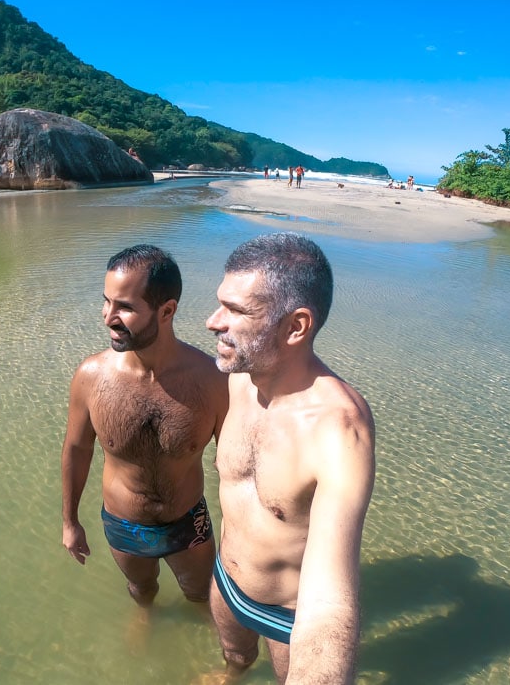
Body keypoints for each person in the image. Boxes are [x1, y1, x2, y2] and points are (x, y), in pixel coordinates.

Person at [204, 233, 376, 684]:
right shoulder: (239, 376)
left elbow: (329, 603)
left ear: (296, 326)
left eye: (236, 311)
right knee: (234, 659)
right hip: (225, 581)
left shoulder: (337, 428)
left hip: (288, 615)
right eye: (220, 303)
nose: (211, 321)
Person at [62, 245, 228, 607]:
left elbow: (236, 464)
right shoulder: (91, 377)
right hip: (124, 524)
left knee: (202, 595)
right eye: (106, 302)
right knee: (141, 591)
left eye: (124, 307)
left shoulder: (211, 381)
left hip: (189, 522)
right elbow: (77, 449)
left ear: (166, 311)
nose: (108, 317)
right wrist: (70, 522)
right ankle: (146, 621)